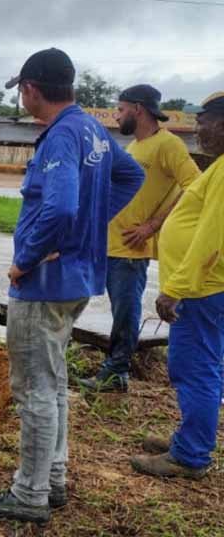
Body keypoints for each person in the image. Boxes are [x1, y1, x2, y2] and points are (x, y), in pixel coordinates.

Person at [0, 48, 144, 524]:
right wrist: (92, 224)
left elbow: (63, 206)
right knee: (55, 381)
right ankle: (54, 479)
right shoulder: (92, 129)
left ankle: (29, 496)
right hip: (76, 278)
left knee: (35, 390)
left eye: (21, 90)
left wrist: (26, 259)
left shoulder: (62, 137)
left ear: (30, 89)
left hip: (44, 282)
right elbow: (132, 176)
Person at [80, 85, 200, 393]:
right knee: (116, 310)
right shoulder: (133, 147)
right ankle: (113, 366)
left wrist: (153, 225)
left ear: (138, 108)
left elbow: (194, 186)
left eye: (120, 110)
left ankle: (116, 372)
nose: (117, 116)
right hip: (110, 242)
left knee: (126, 311)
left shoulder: (167, 145)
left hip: (132, 248)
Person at [130, 93, 224, 480]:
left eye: (204, 121)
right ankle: (189, 437)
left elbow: (210, 237)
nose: (198, 128)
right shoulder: (218, 168)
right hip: (206, 288)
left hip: (202, 290)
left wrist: (177, 288)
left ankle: (190, 455)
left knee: (194, 368)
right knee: (204, 366)